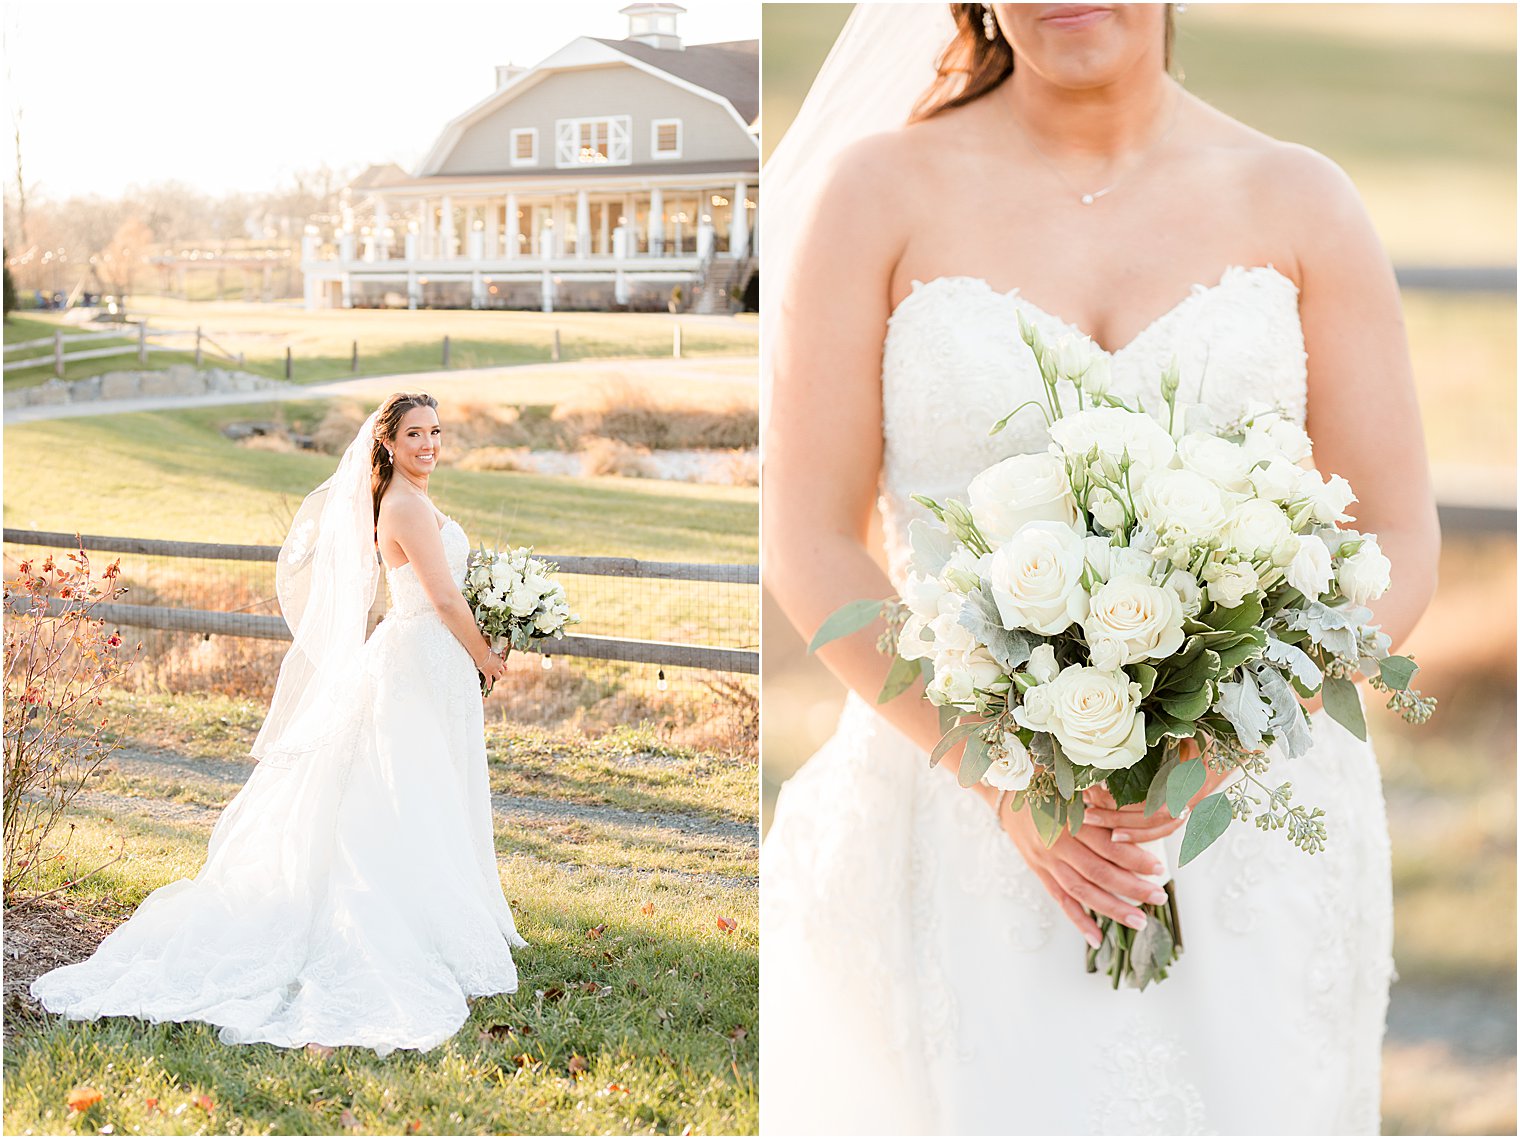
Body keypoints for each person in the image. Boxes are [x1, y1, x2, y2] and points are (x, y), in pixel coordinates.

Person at [761, 5, 1440, 1134]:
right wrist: (1002, 778)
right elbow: (810, 537)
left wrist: (1222, 743)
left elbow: (1398, 539)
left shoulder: (1299, 198)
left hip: (1240, 821)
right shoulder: (876, 194)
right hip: (956, 811)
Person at [32, 392, 526, 1054]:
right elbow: (439, 595)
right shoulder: (404, 504)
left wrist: (491, 620)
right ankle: (413, 919)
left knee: (423, 785)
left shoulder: (412, 495)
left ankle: (437, 910)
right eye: (415, 433)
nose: (429, 443)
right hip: (417, 655)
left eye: (436, 431)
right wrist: (486, 653)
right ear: (387, 443)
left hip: (424, 657)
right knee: (412, 789)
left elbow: (448, 589)